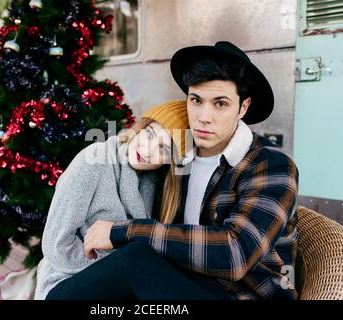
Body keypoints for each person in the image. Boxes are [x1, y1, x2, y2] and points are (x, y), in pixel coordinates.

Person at [82, 41, 300, 300]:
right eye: (196, 100)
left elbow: (235, 255)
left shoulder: (271, 164)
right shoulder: (179, 155)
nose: (203, 117)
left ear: (242, 107)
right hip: (187, 282)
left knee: (133, 260)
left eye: (220, 104)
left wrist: (124, 231)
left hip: (245, 295)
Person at [35, 100, 195, 300]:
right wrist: (110, 271)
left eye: (163, 149)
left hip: (116, 289)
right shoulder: (94, 160)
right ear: (140, 127)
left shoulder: (152, 184)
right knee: (135, 257)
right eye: (150, 134)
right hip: (65, 283)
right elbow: (56, 245)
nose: (148, 150)